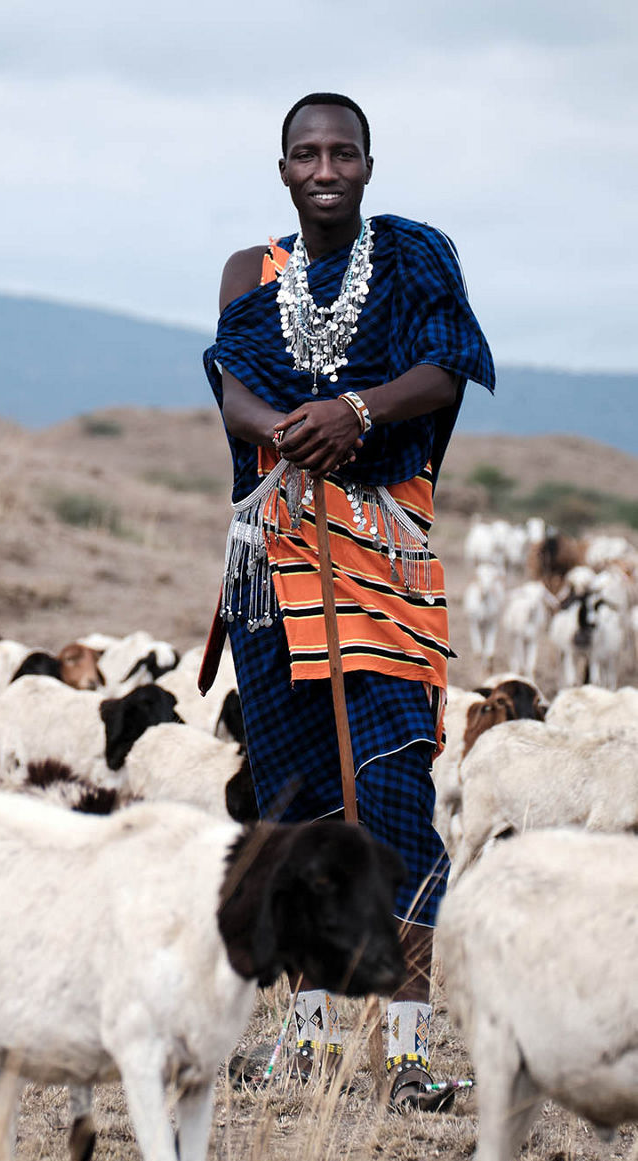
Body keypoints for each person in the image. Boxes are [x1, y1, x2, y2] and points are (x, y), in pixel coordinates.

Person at [203, 92, 494, 1109]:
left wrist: (355, 409)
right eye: (304, 153)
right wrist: (286, 427)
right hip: (276, 569)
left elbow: (448, 370)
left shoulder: (418, 258)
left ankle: (410, 1049)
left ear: (368, 163)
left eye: (341, 151)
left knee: (396, 798)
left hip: (383, 563)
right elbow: (229, 381)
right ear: (282, 168)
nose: (323, 167)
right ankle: (302, 1035)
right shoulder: (255, 272)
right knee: (295, 806)